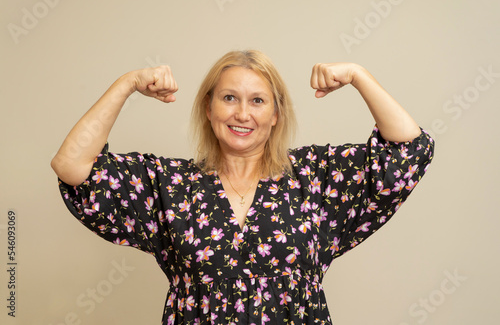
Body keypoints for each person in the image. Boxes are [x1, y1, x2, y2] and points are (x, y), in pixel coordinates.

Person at [52, 50, 435, 324]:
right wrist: (128, 83)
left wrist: (357, 74)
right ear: (209, 107)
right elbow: (72, 166)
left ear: (275, 114)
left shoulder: (313, 178)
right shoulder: (170, 185)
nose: (242, 113)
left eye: (257, 101)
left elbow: (408, 149)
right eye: (229, 98)